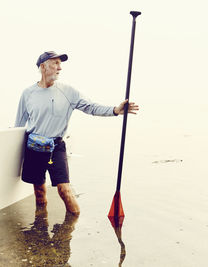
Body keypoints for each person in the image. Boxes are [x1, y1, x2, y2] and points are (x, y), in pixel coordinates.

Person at [14, 51, 139, 216]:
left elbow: (91, 107)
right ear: (43, 67)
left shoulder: (68, 92)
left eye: (60, 64)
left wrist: (115, 110)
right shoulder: (28, 93)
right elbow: (18, 125)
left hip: (56, 147)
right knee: (39, 192)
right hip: (34, 148)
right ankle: (40, 229)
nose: (60, 68)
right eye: (55, 63)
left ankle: (70, 230)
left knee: (64, 190)